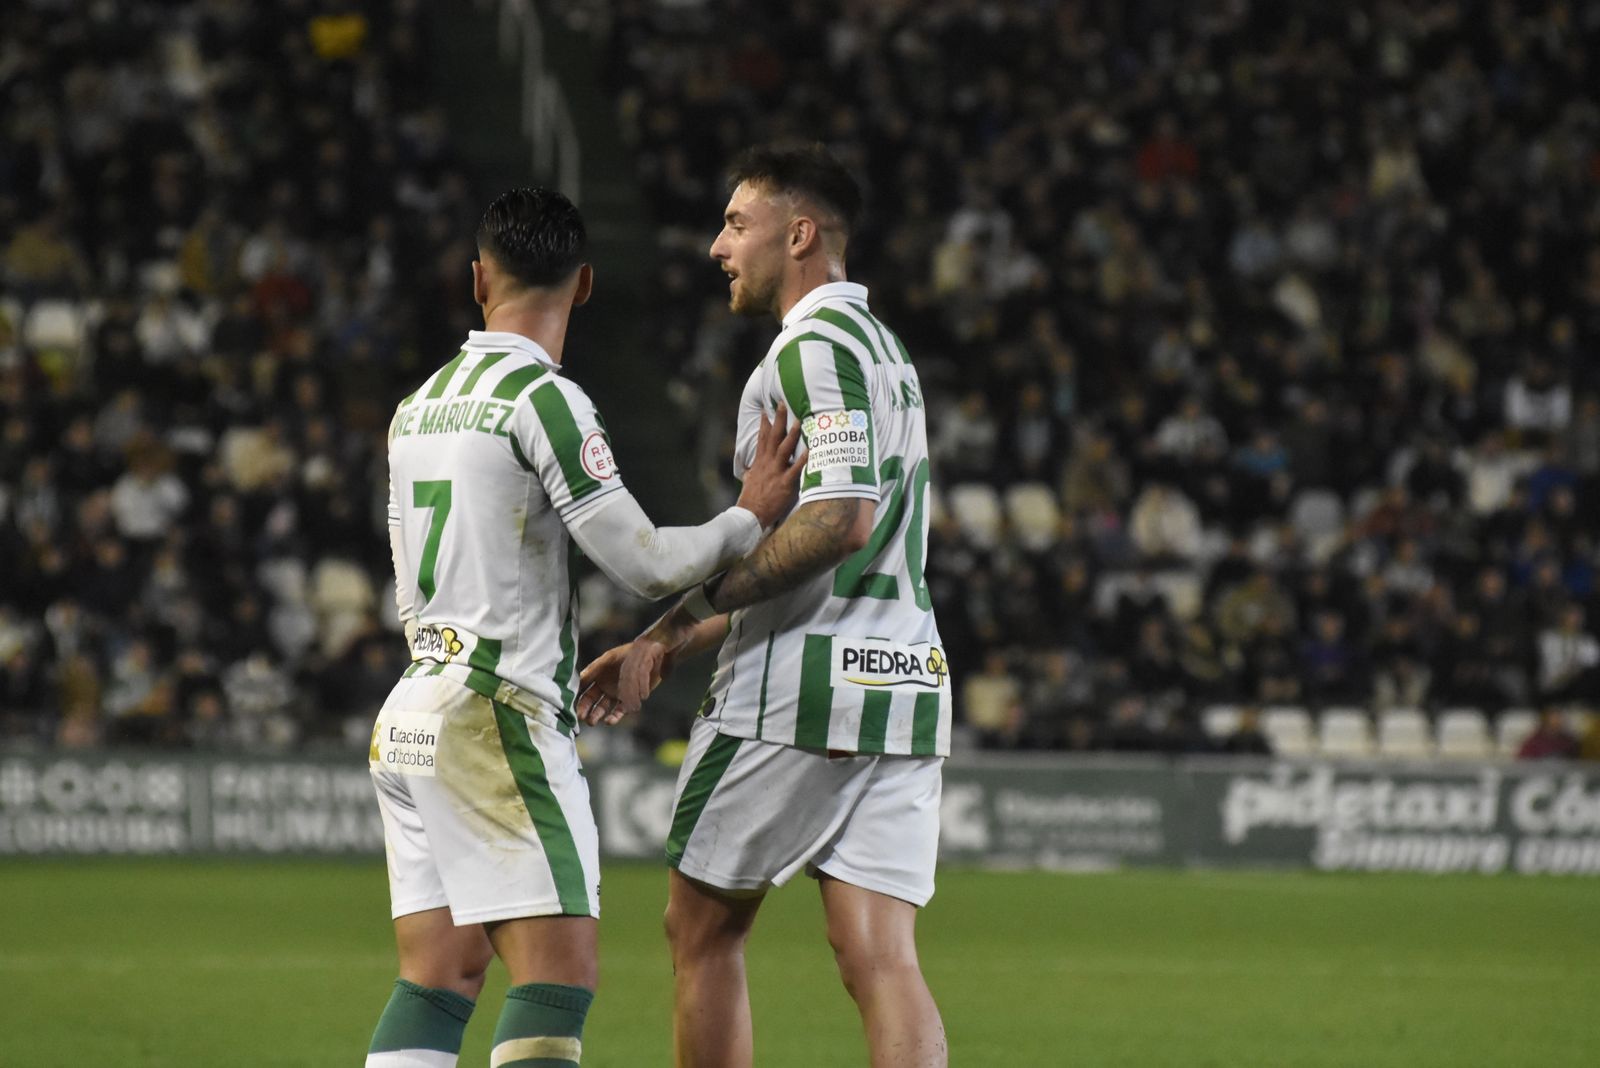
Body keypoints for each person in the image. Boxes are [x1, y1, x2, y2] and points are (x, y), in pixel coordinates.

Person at [364, 187, 802, 1068]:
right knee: (559, 974)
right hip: (495, 712)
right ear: (587, 284)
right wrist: (748, 517)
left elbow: (407, 583)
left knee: (438, 977)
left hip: (412, 709)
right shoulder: (543, 400)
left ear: (478, 277)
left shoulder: (416, 407)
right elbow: (642, 563)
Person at [580, 144, 949, 1067]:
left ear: (801, 233)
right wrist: (668, 642)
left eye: (737, 224)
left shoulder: (814, 347)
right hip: (902, 676)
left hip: (799, 687)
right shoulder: (886, 354)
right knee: (878, 953)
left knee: (699, 930)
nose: (717, 246)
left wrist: (684, 606)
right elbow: (817, 539)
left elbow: (835, 522)